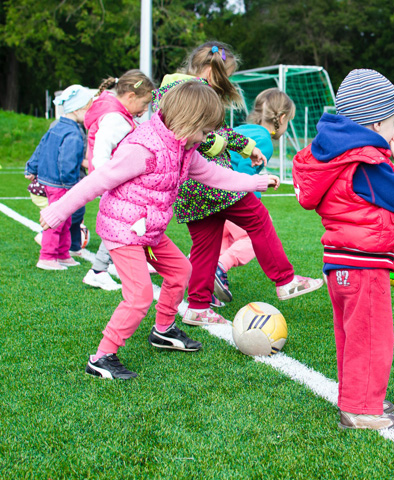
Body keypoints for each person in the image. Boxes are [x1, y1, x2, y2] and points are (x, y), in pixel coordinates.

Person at [38, 81, 280, 379]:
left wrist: (255, 182)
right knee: (139, 296)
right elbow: (97, 181)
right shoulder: (143, 149)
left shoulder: (184, 147)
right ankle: (101, 357)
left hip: (149, 230)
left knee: (181, 271)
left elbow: (213, 175)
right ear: (188, 121)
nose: (207, 139)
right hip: (123, 230)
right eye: (205, 132)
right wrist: (58, 211)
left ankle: (163, 330)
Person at [152, 41, 323, 327]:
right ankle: (285, 280)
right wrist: (224, 148)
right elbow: (200, 136)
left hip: (190, 189)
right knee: (257, 218)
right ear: (210, 70)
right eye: (225, 75)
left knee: (206, 244)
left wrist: (248, 148)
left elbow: (219, 130)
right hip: (211, 182)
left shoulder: (174, 88)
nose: (226, 82)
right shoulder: (190, 92)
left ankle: (197, 306)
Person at [292, 69, 394, 430]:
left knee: (353, 336)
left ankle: (357, 396)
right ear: (377, 122)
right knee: (371, 337)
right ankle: (361, 409)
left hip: (342, 263)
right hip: (363, 268)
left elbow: (357, 206)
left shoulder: (339, 156)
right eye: (393, 123)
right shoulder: (365, 160)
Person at [213, 88, 296, 306]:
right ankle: (220, 267)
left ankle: (206, 284)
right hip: (231, 196)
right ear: (282, 118)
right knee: (252, 238)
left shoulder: (242, 129)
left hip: (211, 193)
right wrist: (253, 201)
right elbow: (244, 170)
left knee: (220, 240)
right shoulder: (264, 141)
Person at [82, 69, 155, 291]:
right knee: (121, 224)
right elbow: (102, 154)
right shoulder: (115, 119)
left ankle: (109, 266)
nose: (144, 111)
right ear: (130, 97)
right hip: (114, 183)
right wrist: (109, 180)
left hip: (116, 181)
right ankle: (98, 270)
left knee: (128, 222)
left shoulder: (118, 114)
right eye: (144, 104)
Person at [25, 84, 94, 271]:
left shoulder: (57, 126)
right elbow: (67, 162)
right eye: (88, 108)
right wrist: (72, 186)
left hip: (51, 181)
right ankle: (47, 257)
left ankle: (63, 254)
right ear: (79, 109)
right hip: (61, 184)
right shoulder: (73, 133)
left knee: (66, 219)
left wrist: (31, 167)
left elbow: (41, 146)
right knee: (57, 220)